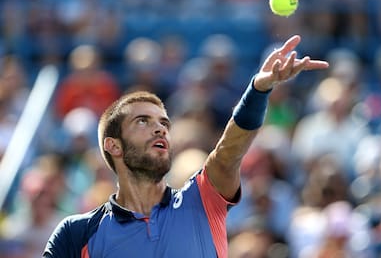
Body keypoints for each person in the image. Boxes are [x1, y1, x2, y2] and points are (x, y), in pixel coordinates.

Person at [42, 35, 329, 258]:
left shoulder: (202, 199)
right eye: (142, 121)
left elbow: (228, 153)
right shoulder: (76, 233)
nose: (159, 128)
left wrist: (258, 90)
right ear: (113, 146)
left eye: (163, 123)